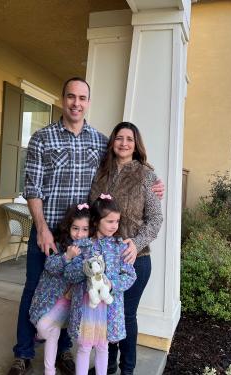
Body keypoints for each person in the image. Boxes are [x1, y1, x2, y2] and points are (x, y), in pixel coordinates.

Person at [8, 77, 163, 375]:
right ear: (63, 99)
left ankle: (65, 351)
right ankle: (24, 353)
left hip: (81, 238)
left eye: (82, 98)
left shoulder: (99, 141)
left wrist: (154, 181)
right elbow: (32, 188)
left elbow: (128, 160)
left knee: (75, 292)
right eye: (70, 97)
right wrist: (40, 227)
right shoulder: (43, 138)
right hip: (49, 232)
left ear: (88, 102)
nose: (76, 103)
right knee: (34, 289)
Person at [89, 122, 163, 375]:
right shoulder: (101, 174)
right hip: (103, 258)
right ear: (112, 142)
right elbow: (92, 214)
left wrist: (137, 242)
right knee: (105, 315)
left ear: (136, 144)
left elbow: (155, 220)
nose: (123, 143)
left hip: (135, 259)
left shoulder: (146, 175)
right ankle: (106, 367)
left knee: (126, 316)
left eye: (129, 139)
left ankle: (127, 370)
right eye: (119, 138)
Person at [64, 196, 137, 375]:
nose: (115, 225)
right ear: (96, 221)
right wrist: (86, 270)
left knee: (103, 347)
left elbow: (130, 275)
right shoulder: (84, 246)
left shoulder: (120, 247)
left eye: (117, 221)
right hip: (86, 307)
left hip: (108, 310)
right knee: (84, 347)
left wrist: (111, 284)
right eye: (110, 221)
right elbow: (69, 274)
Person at [29, 204, 90, 375]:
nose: (79, 234)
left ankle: (49, 371)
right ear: (69, 227)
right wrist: (67, 257)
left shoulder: (90, 249)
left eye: (85, 229)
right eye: (75, 228)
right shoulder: (61, 244)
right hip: (53, 298)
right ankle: (40, 341)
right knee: (42, 328)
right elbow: (50, 266)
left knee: (53, 332)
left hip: (71, 301)